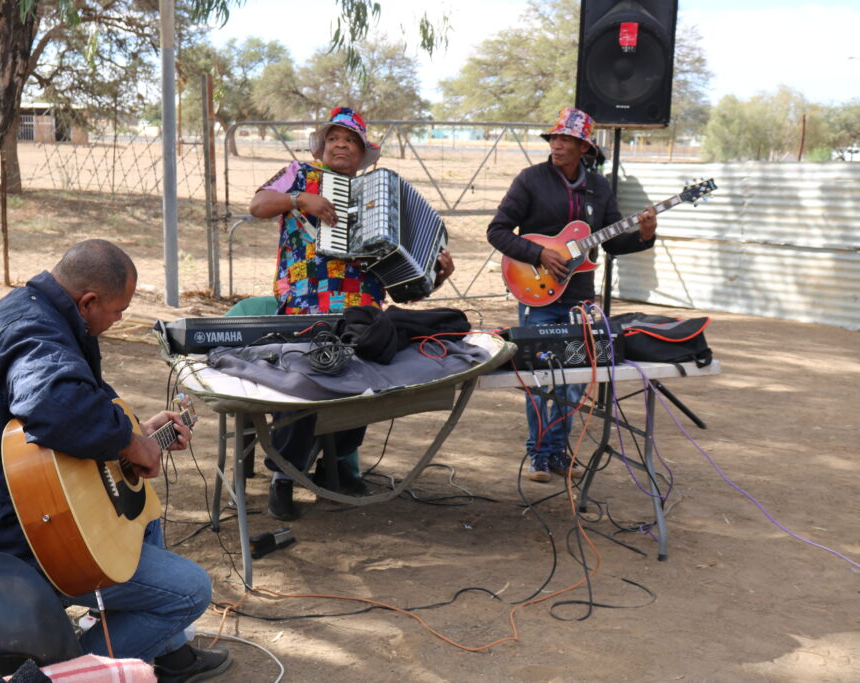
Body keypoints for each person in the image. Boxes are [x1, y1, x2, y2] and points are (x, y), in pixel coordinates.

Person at [0, 240, 231, 682]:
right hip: (4, 534)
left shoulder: (38, 311)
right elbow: (54, 405)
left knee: (144, 514)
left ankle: (171, 653)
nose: (119, 319)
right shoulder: (35, 332)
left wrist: (137, 435)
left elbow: (65, 410)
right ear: (88, 301)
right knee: (191, 591)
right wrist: (128, 445)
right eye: (118, 310)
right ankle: (53, 674)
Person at [248, 106, 454, 520]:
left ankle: (334, 467)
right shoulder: (300, 174)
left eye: (352, 141)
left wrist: (438, 274)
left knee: (366, 380)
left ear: (363, 155)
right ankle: (284, 476)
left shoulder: (381, 199)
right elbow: (257, 205)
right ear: (322, 147)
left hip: (362, 312)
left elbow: (407, 288)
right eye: (334, 138)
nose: (342, 145)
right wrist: (297, 198)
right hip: (306, 305)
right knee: (302, 385)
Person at [486, 107, 658, 483]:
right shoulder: (530, 180)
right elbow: (497, 231)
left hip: (580, 296)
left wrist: (645, 233)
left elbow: (613, 244)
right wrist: (538, 253)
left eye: (566, 140)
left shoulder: (599, 187)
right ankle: (538, 455)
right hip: (537, 294)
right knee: (540, 378)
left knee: (576, 378)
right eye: (555, 138)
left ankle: (557, 455)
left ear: (584, 147)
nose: (557, 145)